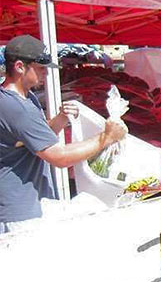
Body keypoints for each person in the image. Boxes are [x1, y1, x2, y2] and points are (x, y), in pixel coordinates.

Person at [0, 35, 127, 233]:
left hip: (30, 205)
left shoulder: (26, 98)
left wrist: (60, 119)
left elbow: (34, 141)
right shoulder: (15, 107)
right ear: (19, 67)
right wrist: (106, 137)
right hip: (19, 215)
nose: (46, 74)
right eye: (41, 68)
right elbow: (59, 157)